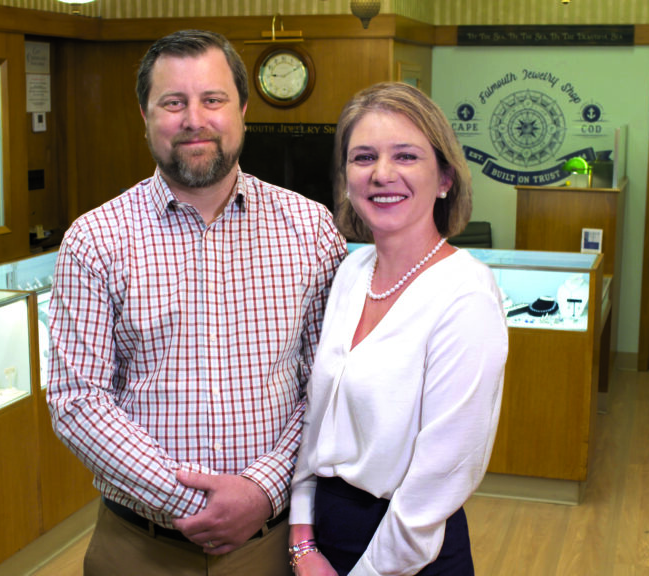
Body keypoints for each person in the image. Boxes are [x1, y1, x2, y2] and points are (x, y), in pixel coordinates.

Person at [45, 29, 346, 576]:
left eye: (212, 100)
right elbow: (77, 401)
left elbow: (326, 383)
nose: (194, 119)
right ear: (144, 115)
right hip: (137, 547)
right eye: (173, 102)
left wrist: (261, 490)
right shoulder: (94, 239)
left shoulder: (311, 229)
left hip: (271, 546)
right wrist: (192, 504)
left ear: (243, 110)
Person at [287, 82, 509, 575]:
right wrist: (302, 540)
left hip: (409, 550)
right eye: (363, 157)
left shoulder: (464, 294)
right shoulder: (350, 273)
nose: (382, 174)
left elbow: (442, 478)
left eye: (406, 156)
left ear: (446, 177)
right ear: (346, 178)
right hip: (322, 537)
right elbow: (315, 421)